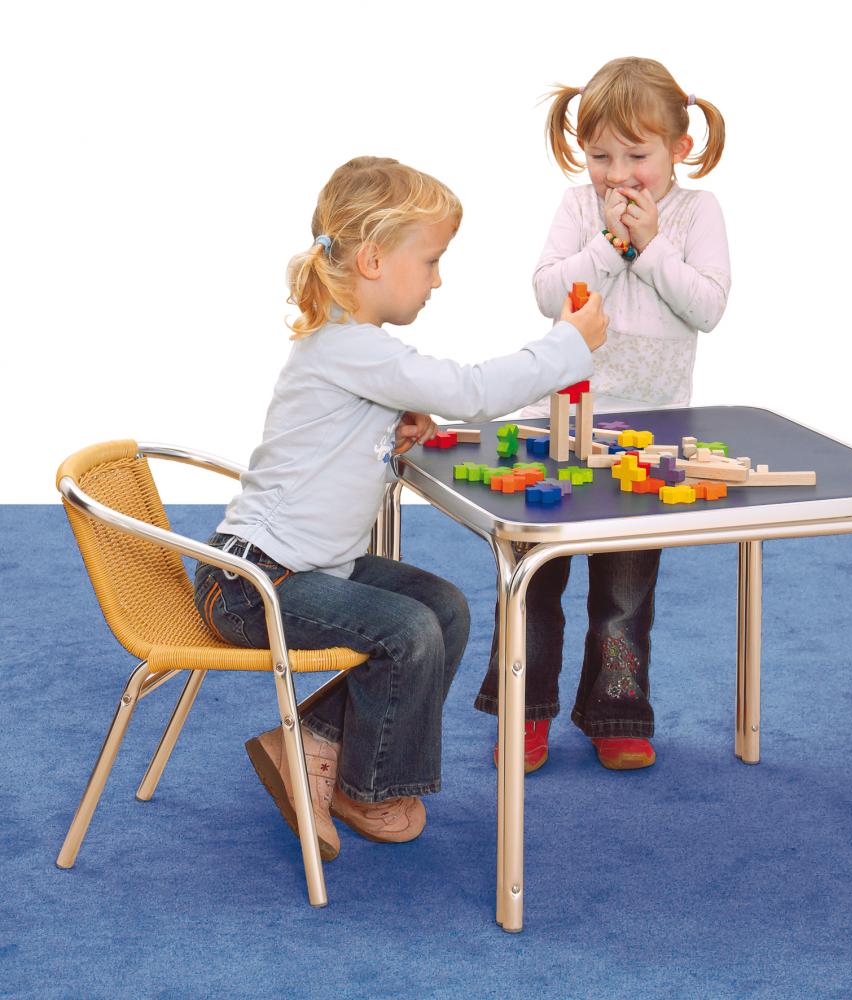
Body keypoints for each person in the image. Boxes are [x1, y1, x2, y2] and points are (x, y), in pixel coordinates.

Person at [193, 156, 608, 860]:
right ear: (373, 259)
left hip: (308, 568)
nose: (438, 279)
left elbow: (345, 443)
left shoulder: (357, 354)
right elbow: (471, 391)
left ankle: (313, 740)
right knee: (410, 631)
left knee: (444, 608)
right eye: (432, 260)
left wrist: (390, 431)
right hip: (254, 582)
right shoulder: (349, 348)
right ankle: (369, 787)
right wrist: (567, 345)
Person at [474, 56, 732, 772]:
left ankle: (617, 712)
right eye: (600, 157)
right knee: (534, 577)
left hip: (649, 432)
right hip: (560, 419)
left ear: (678, 148)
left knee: (625, 589)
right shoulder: (578, 209)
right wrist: (609, 245)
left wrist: (649, 246)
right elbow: (547, 293)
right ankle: (524, 713)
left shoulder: (698, 213)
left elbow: (707, 307)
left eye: (636, 156)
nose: (618, 175)